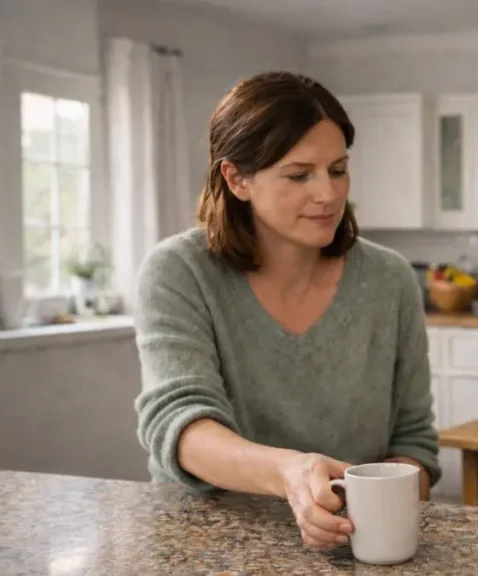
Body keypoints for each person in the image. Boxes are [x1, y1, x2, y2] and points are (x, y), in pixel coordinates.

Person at [132, 71, 439, 550]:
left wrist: (371, 503)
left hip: (351, 540)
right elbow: (181, 427)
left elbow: (414, 441)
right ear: (237, 179)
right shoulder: (178, 270)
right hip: (205, 538)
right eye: (300, 175)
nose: (329, 193)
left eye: (337, 170)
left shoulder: (390, 278)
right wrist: (291, 474)